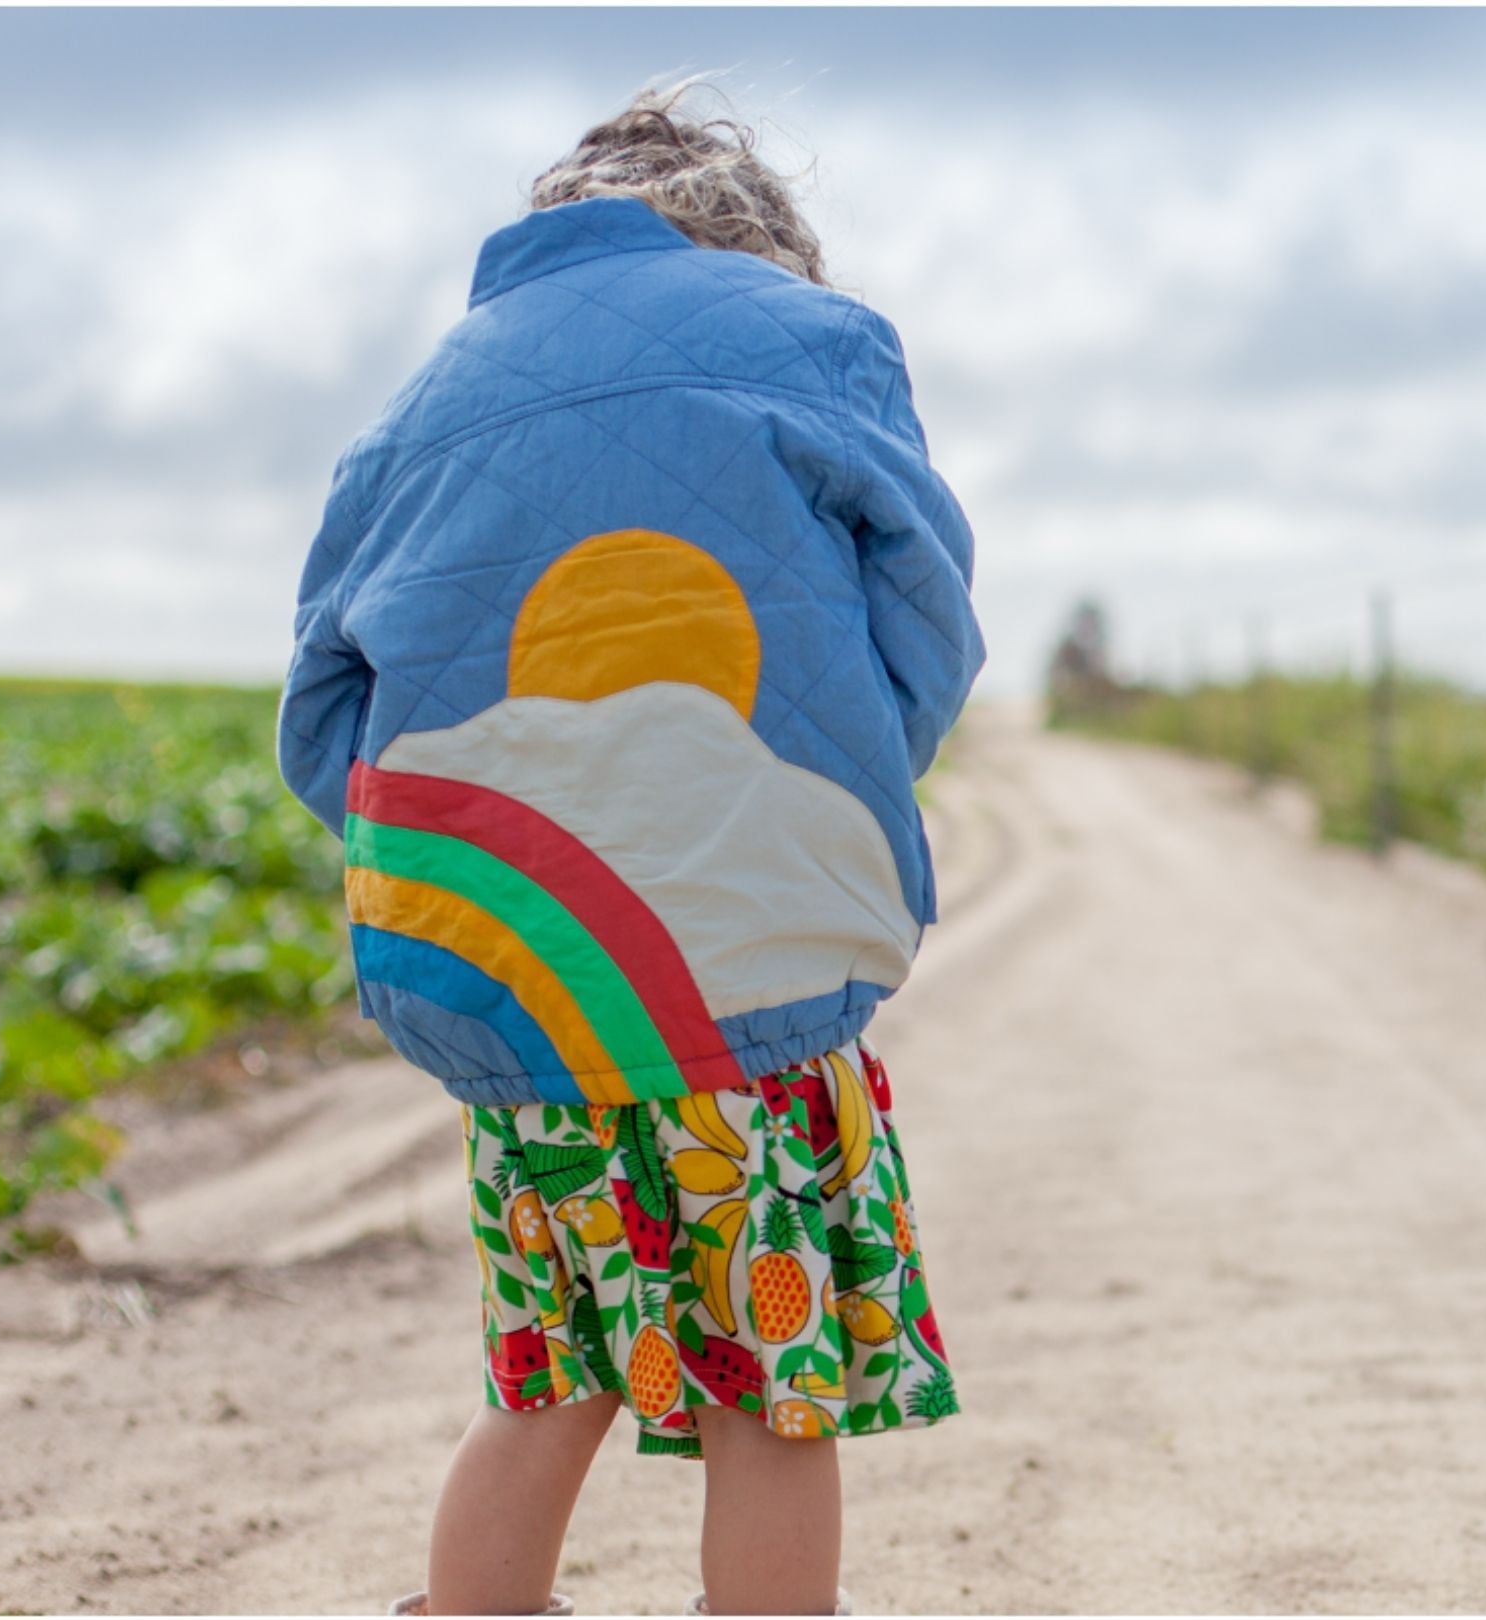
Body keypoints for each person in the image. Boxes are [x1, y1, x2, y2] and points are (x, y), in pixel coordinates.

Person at [276, 80, 983, 1617]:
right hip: (753, 992)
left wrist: (476, 856)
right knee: (771, 1393)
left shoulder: (415, 404)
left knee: (543, 1380)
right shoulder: (819, 343)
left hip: (518, 975)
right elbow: (928, 624)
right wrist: (830, 807)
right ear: (751, 235)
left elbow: (318, 712)